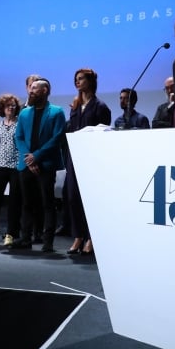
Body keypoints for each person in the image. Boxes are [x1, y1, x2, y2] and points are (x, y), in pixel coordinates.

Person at [10, 78, 66, 253]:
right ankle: (26, 238)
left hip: (46, 164)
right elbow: (18, 137)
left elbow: (57, 137)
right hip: (26, 164)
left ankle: (47, 240)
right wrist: (29, 158)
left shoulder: (57, 112)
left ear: (45, 90)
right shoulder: (25, 113)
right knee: (27, 203)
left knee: (47, 203)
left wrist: (37, 156)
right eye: (30, 88)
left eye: (35, 88)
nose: (31, 91)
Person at [65, 69, 112, 256]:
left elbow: (103, 134)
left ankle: (92, 237)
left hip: (92, 160)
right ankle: (78, 236)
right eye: (75, 79)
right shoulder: (75, 106)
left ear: (90, 81)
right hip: (74, 158)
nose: (77, 82)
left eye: (81, 78)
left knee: (90, 200)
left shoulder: (101, 106)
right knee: (72, 198)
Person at [0, 93, 23, 246]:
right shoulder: (0, 125)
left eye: (13, 106)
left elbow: (22, 144)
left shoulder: (20, 123)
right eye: (8, 106)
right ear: (2, 108)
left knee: (14, 201)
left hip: (15, 165)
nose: (11, 108)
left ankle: (10, 234)